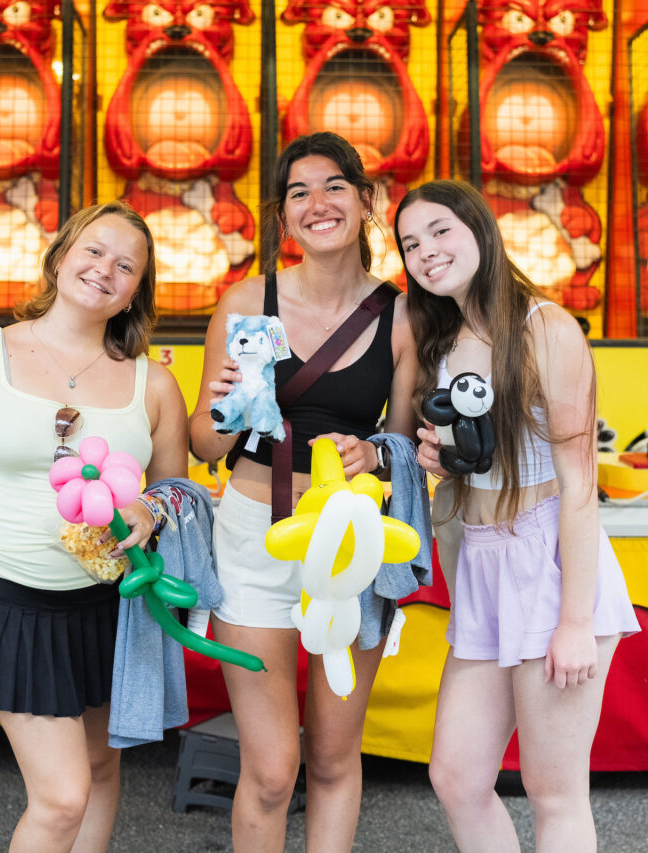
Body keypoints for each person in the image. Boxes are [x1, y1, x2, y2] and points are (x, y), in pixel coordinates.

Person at [0, 200, 189, 853]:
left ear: (133, 295)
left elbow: (178, 491)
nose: (105, 270)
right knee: (63, 796)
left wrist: (151, 510)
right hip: (11, 603)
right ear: (61, 256)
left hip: (112, 608)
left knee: (100, 768)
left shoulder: (155, 385)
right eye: (93, 250)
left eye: (126, 266)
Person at [189, 131, 420, 853]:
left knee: (330, 756)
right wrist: (224, 407)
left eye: (333, 186)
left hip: (348, 542)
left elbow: (405, 450)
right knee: (269, 769)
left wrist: (374, 453)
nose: (317, 203)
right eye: (298, 192)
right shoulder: (245, 301)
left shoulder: (403, 315)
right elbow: (202, 444)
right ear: (284, 217)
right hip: (252, 532)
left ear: (365, 201)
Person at [394, 179, 640, 853]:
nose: (427, 252)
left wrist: (576, 621)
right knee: (456, 775)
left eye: (440, 231)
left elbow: (580, 486)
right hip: (482, 560)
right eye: (411, 243)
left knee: (554, 790)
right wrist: (440, 468)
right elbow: (462, 481)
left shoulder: (545, 328)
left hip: (550, 562)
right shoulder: (440, 343)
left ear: (479, 228)